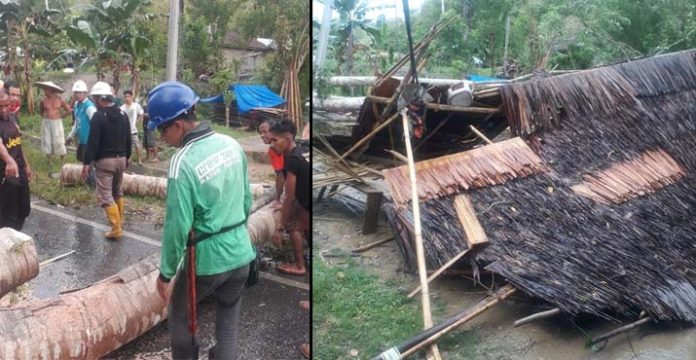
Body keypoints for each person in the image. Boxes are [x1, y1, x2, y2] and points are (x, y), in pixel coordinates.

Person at [149, 81, 255, 360]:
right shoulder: (231, 144)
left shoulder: (182, 162)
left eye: (161, 129)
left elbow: (177, 226)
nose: (161, 137)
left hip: (207, 261)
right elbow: (246, 200)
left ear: (178, 126)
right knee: (229, 321)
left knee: (179, 316)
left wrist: (166, 273)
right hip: (242, 252)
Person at [81, 81, 131, 239]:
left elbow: (93, 142)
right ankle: (119, 223)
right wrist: (128, 157)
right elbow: (128, 138)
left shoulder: (98, 116)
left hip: (105, 162)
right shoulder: (123, 114)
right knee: (117, 190)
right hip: (121, 159)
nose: (95, 101)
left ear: (100, 99)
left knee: (105, 195)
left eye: (95, 98)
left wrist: (86, 163)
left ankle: (116, 228)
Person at [269, 120, 309, 276]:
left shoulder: (292, 159)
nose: (272, 145)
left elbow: (290, 197)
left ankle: (299, 266)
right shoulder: (303, 150)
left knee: (293, 225)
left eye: (275, 140)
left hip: (306, 202)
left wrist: (279, 227)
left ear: (288, 138)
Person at [0, 89, 32, 230]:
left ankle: (16, 234)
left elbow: (17, 143)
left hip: (20, 168)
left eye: (6, 105)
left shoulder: (13, 118)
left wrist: (26, 165)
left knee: (24, 207)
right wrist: (8, 160)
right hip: (5, 173)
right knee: (8, 212)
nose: (3, 110)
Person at [66, 80, 97, 187]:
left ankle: (92, 186)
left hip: (89, 141)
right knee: (80, 158)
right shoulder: (76, 105)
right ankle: (88, 180)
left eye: (80, 93)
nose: (78, 95)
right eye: (76, 93)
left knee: (88, 163)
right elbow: (77, 123)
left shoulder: (89, 107)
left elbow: (96, 123)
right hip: (82, 140)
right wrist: (70, 136)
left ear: (85, 93)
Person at [37, 81, 71, 168]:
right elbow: (41, 112)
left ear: (51, 90)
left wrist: (61, 116)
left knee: (59, 141)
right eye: (44, 89)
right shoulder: (43, 100)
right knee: (47, 140)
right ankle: (50, 161)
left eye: (46, 89)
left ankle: (62, 161)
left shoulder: (59, 100)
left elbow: (69, 110)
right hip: (47, 122)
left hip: (57, 123)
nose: (45, 91)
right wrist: (46, 118)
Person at [258, 118, 284, 207]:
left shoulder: (274, 149)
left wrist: (277, 199)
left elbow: (280, 176)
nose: (262, 135)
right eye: (260, 133)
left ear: (274, 132)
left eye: (265, 132)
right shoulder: (287, 142)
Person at [120, 90, 145, 164]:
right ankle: (128, 160)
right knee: (127, 147)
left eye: (128, 97)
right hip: (125, 131)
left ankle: (139, 160)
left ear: (131, 97)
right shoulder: (122, 108)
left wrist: (137, 121)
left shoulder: (136, 105)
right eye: (125, 97)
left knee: (137, 145)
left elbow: (142, 113)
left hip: (133, 130)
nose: (127, 98)